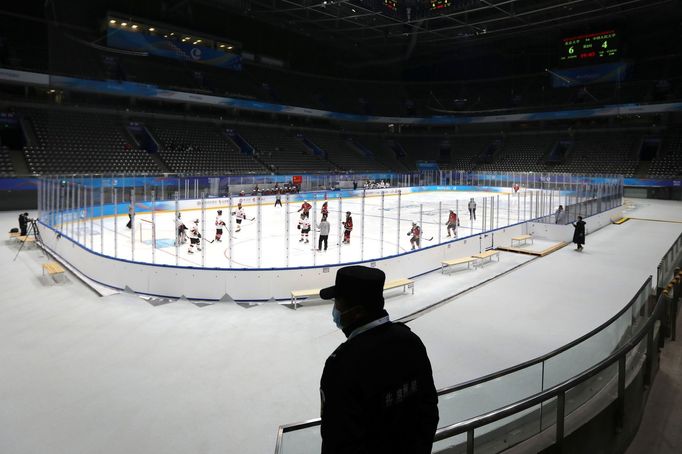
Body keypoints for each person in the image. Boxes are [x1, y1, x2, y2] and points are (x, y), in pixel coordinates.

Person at [319, 266, 439, 454]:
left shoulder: (342, 364)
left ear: (357, 312)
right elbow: (428, 408)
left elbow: (339, 441)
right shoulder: (411, 342)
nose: (335, 309)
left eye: (338, 303)